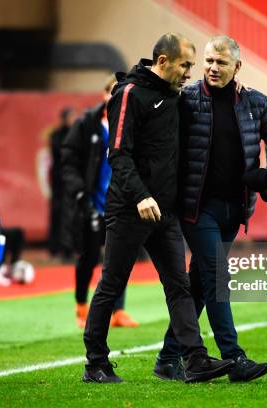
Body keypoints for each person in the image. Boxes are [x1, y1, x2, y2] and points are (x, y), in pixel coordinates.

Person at [82, 33, 235, 383]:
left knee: (179, 286)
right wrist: (140, 196)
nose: (189, 73)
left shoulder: (173, 95)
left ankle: (194, 359)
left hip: (163, 212)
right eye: (185, 65)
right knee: (112, 284)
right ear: (163, 62)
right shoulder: (129, 95)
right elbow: (118, 154)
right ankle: (95, 363)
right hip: (130, 208)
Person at [154, 36, 267, 382]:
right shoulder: (185, 99)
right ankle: (234, 358)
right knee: (217, 277)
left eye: (220, 62)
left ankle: (167, 356)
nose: (212, 68)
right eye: (208, 61)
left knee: (202, 285)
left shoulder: (254, 102)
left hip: (234, 211)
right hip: (196, 208)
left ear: (237, 67)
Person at [61, 76, 138, 329]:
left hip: (120, 202)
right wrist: (80, 193)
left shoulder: (132, 124)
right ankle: (81, 306)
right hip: (91, 203)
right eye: (112, 92)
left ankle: (119, 310)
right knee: (88, 257)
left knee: (120, 256)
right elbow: (68, 160)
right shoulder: (87, 125)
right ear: (104, 94)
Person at [49, 107, 76, 259]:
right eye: (70, 117)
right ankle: (56, 247)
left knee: (72, 215)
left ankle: (70, 247)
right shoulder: (56, 136)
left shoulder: (77, 133)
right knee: (58, 213)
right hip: (59, 182)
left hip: (72, 181)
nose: (72, 120)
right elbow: (61, 155)